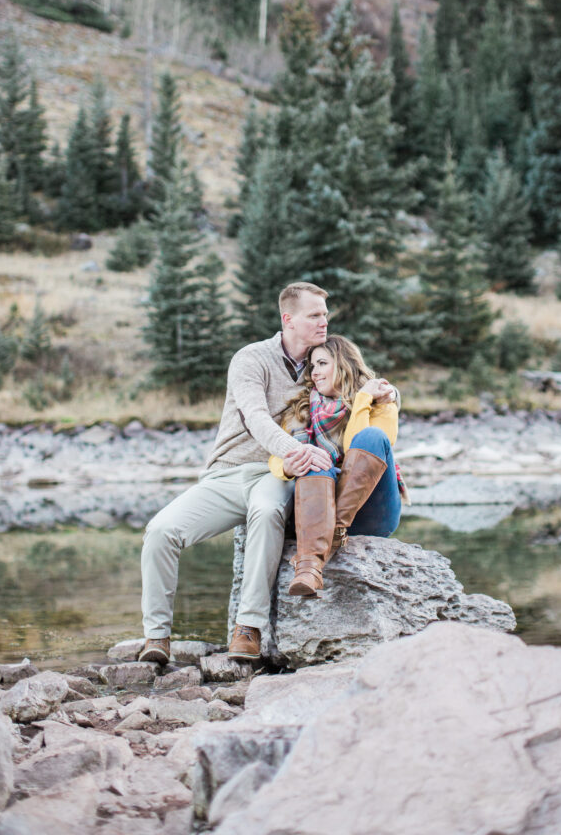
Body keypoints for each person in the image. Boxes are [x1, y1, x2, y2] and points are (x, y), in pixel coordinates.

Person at [138, 282, 333, 665]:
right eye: (315, 315)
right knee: (160, 531)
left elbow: (358, 384)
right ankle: (156, 637)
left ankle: (248, 628)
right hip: (226, 473)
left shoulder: (324, 359)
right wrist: (295, 449)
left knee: (267, 513)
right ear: (288, 319)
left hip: (274, 475)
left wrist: (388, 393)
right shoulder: (251, 359)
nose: (324, 322)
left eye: (326, 314)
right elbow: (255, 417)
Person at [269, 335, 408, 598]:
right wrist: (289, 465)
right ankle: (309, 568)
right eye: (312, 366)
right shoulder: (298, 409)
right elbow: (276, 458)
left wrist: (362, 400)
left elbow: (359, 443)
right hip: (316, 511)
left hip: (370, 512)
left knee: (372, 438)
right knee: (312, 459)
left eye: (322, 363)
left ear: (344, 364)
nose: (315, 372)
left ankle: (330, 535)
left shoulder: (380, 403)